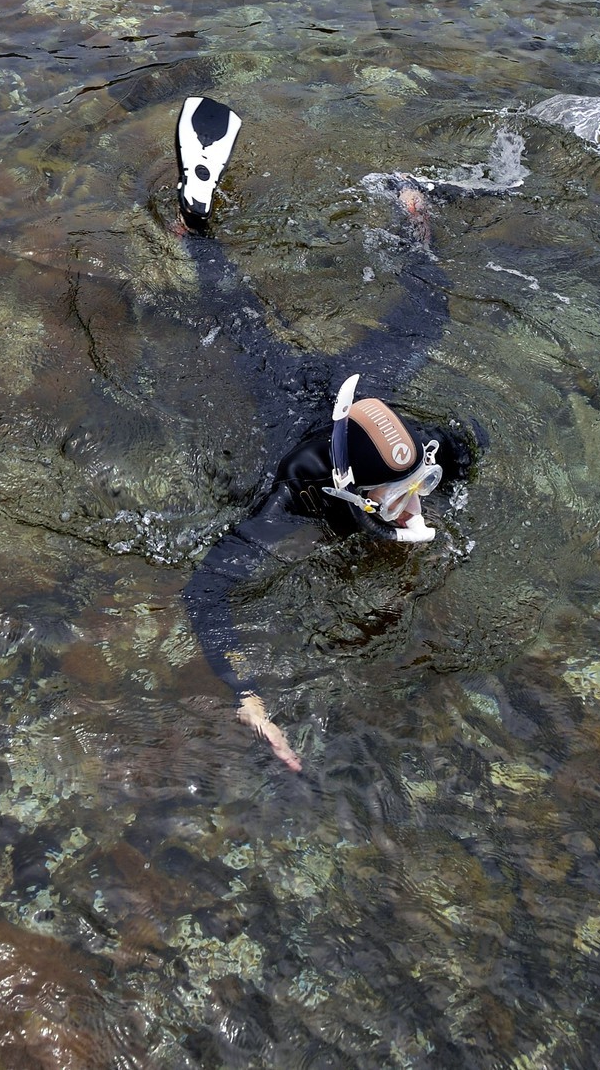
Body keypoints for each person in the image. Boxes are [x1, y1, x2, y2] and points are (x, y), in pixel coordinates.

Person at [170, 99, 484, 773]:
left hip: (361, 391)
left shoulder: (428, 449)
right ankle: (194, 224)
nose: (420, 506)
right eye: (402, 496)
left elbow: (468, 446)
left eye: (421, 488)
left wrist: (427, 478)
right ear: (350, 487)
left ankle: (413, 217)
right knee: (242, 324)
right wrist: (247, 696)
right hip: (292, 403)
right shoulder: (295, 486)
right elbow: (204, 591)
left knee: (429, 313)